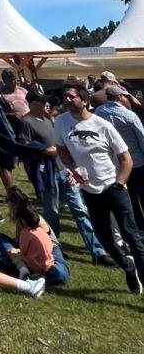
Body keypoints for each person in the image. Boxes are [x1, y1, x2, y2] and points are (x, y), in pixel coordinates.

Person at [54, 84, 144, 294]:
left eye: (71, 96)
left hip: (114, 187)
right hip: (90, 191)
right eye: (64, 96)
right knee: (105, 239)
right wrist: (73, 168)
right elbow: (61, 149)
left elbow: (126, 159)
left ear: (84, 100)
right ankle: (128, 267)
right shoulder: (61, 122)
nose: (66, 99)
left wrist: (120, 183)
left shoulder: (103, 125)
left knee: (132, 236)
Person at [17, 90, 111, 265]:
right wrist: (45, 151)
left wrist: (70, 168)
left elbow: (61, 146)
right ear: (32, 104)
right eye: (42, 102)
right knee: (52, 213)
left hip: (64, 171)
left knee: (80, 210)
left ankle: (97, 252)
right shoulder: (26, 123)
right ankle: (54, 249)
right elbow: (25, 148)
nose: (47, 105)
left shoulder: (48, 120)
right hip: (47, 175)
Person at [0, 188, 70, 285]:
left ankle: (10, 264)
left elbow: (43, 242)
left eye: (7, 200)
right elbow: (18, 240)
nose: (6, 203)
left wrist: (18, 252)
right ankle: (7, 262)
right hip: (29, 248)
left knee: (59, 275)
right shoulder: (20, 219)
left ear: (13, 203)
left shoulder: (34, 218)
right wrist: (14, 249)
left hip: (51, 249)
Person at [94, 85, 144, 229]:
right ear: (118, 97)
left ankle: (138, 222)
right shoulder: (129, 115)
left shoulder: (98, 113)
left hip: (116, 161)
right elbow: (141, 138)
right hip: (136, 160)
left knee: (131, 195)